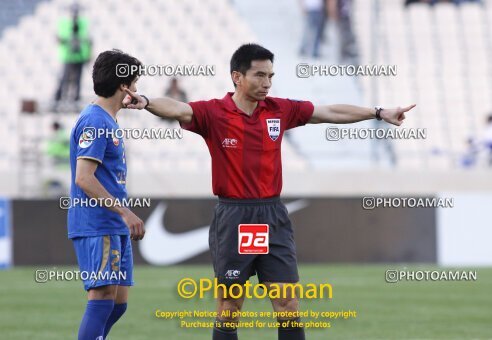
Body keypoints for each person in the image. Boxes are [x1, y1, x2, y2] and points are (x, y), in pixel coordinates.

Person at [123, 43, 415, 340]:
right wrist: (145, 101)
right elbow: (178, 108)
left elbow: (328, 111)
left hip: (272, 215)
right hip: (235, 217)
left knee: (288, 304)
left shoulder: (280, 109)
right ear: (237, 77)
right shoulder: (214, 112)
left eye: (270, 76)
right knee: (230, 306)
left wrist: (378, 112)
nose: (267, 83)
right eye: (260, 75)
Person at [68, 50, 145, 340]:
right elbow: (83, 178)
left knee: (118, 304)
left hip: (112, 225)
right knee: (101, 300)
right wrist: (125, 211)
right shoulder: (96, 122)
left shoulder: (107, 119)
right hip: (98, 223)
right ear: (124, 86)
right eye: (135, 82)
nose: (137, 89)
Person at [53, 5, 92, 110]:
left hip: (78, 56)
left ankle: (75, 98)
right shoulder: (64, 24)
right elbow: (58, 38)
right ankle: (60, 96)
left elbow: (88, 40)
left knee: (77, 79)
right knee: (65, 77)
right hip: (69, 56)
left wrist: (88, 54)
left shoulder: (83, 24)